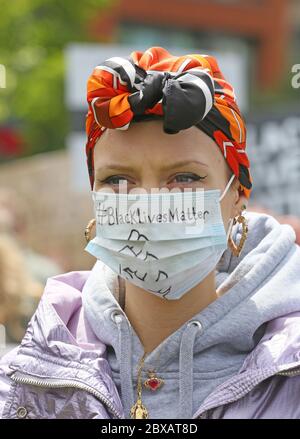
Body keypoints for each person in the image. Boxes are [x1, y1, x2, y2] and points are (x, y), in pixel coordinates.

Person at [0, 46, 300, 419]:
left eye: (185, 177)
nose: (148, 203)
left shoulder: (289, 373)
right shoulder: (24, 383)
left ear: (238, 195)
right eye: (118, 179)